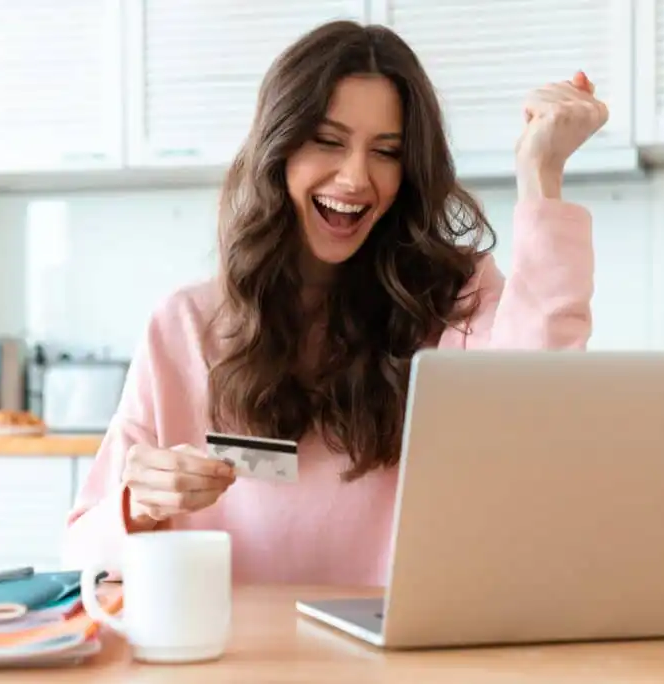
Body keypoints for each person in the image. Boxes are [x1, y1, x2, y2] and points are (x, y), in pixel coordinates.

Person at [62, 20, 605, 585]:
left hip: (397, 660)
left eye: (386, 152)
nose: (354, 178)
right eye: (327, 141)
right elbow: (82, 551)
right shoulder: (185, 325)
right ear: (279, 147)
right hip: (233, 662)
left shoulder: (452, 300)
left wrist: (541, 174)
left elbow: (541, 402)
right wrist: (139, 505)